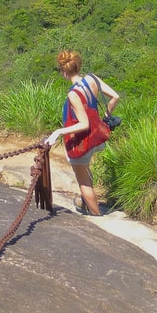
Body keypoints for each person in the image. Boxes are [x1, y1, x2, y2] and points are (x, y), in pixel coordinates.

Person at [45, 50, 120, 216]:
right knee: (86, 170)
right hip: (97, 137)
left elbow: (83, 124)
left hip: (82, 142)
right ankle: (87, 204)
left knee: (84, 183)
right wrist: (104, 118)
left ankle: (97, 216)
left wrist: (58, 132)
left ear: (64, 72)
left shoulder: (73, 94)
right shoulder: (92, 78)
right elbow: (115, 96)